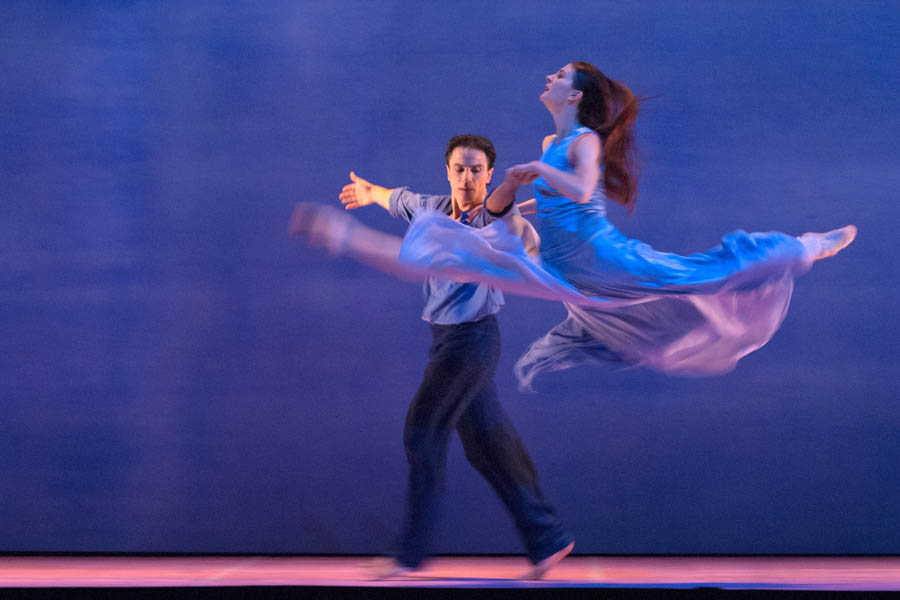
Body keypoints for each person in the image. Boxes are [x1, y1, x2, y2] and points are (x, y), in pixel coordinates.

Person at [393, 61, 857, 389]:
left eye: (559, 76)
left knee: (700, 272)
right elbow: (556, 201)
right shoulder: (553, 139)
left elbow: (579, 189)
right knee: (521, 268)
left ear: (574, 95)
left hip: (601, 256)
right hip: (562, 267)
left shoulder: (583, 141)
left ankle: (803, 247)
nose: (549, 77)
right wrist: (526, 197)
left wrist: (536, 169)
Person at [291, 135, 573, 578]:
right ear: (448, 172)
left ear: (488, 175)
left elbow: (516, 228)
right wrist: (370, 193)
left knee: (422, 435)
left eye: (476, 169)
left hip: (472, 343)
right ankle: (548, 538)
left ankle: (409, 554)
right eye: (459, 169)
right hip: (448, 341)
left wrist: (530, 203)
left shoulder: (496, 218)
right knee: (488, 446)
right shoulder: (435, 210)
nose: (467, 177)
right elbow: (399, 200)